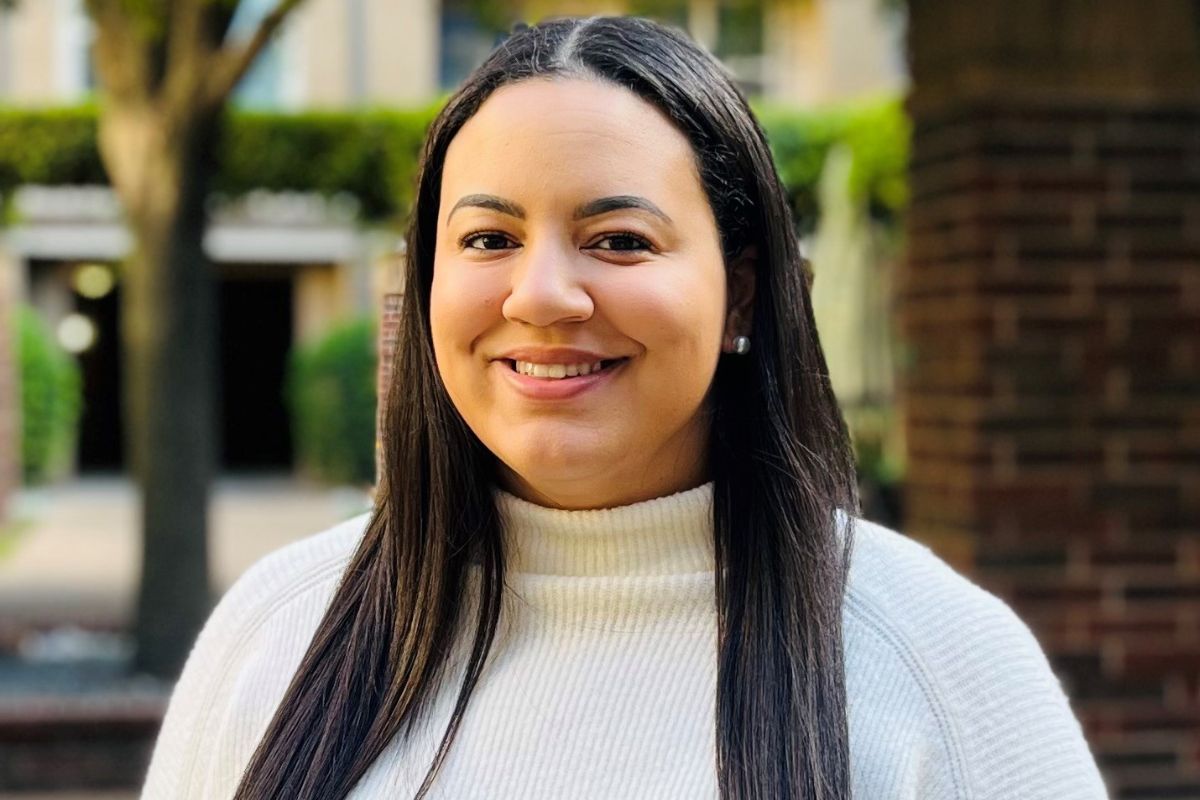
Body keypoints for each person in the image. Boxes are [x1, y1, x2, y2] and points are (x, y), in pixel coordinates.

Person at [139, 15, 1109, 800]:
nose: (541, 294)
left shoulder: (934, 659)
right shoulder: (279, 628)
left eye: (618, 238)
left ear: (739, 292)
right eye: (487, 239)